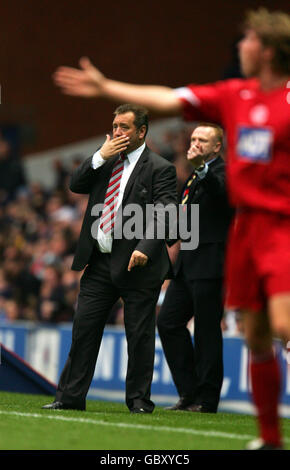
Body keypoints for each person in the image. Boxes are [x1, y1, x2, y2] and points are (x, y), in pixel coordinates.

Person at [53, 8, 290, 449]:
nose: (240, 46)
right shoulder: (233, 93)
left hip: (272, 229)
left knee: (280, 324)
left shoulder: (284, 100)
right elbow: (169, 97)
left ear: (270, 50)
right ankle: (270, 438)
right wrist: (106, 88)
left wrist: (149, 244)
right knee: (256, 332)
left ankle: (154, 398)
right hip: (238, 237)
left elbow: (165, 208)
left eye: (249, 39)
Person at [42, 104, 177, 413]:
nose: (117, 131)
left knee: (139, 335)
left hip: (138, 263)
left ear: (141, 131)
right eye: (115, 125)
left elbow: (166, 213)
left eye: (125, 127)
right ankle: (69, 397)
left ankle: (139, 401)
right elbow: (75, 184)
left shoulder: (160, 168)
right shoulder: (104, 160)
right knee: (84, 329)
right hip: (100, 262)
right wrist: (100, 155)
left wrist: (145, 247)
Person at [157, 123, 233, 414]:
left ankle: (207, 399)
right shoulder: (193, 176)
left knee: (206, 330)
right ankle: (189, 393)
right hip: (187, 264)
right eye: (193, 139)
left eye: (203, 140)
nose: (196, 143)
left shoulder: (223, 173)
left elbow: (222, 196)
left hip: (212, 263)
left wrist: (202, 169)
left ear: (217, 146)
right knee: (168, 322)